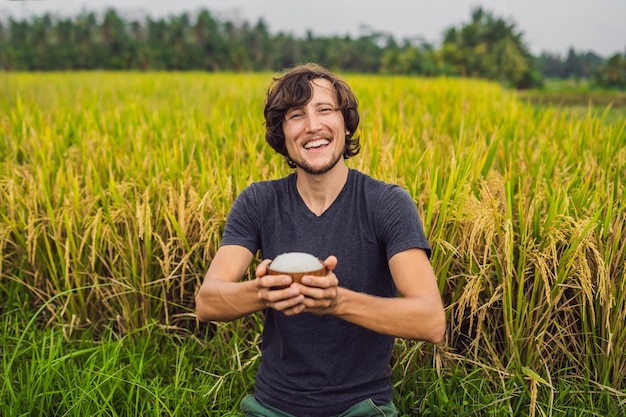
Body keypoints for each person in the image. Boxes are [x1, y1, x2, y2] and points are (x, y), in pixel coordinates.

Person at [195, 63, 446, 417]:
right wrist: (263, 291)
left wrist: (336, 301)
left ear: (346, 123)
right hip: (272, 406)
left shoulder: (386, 203)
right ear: (282, 133)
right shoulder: (258, 201)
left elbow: (430, 320)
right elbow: (207, 303)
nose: (312, 125)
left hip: (362, 407)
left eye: (325, 110)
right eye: (296, 115)